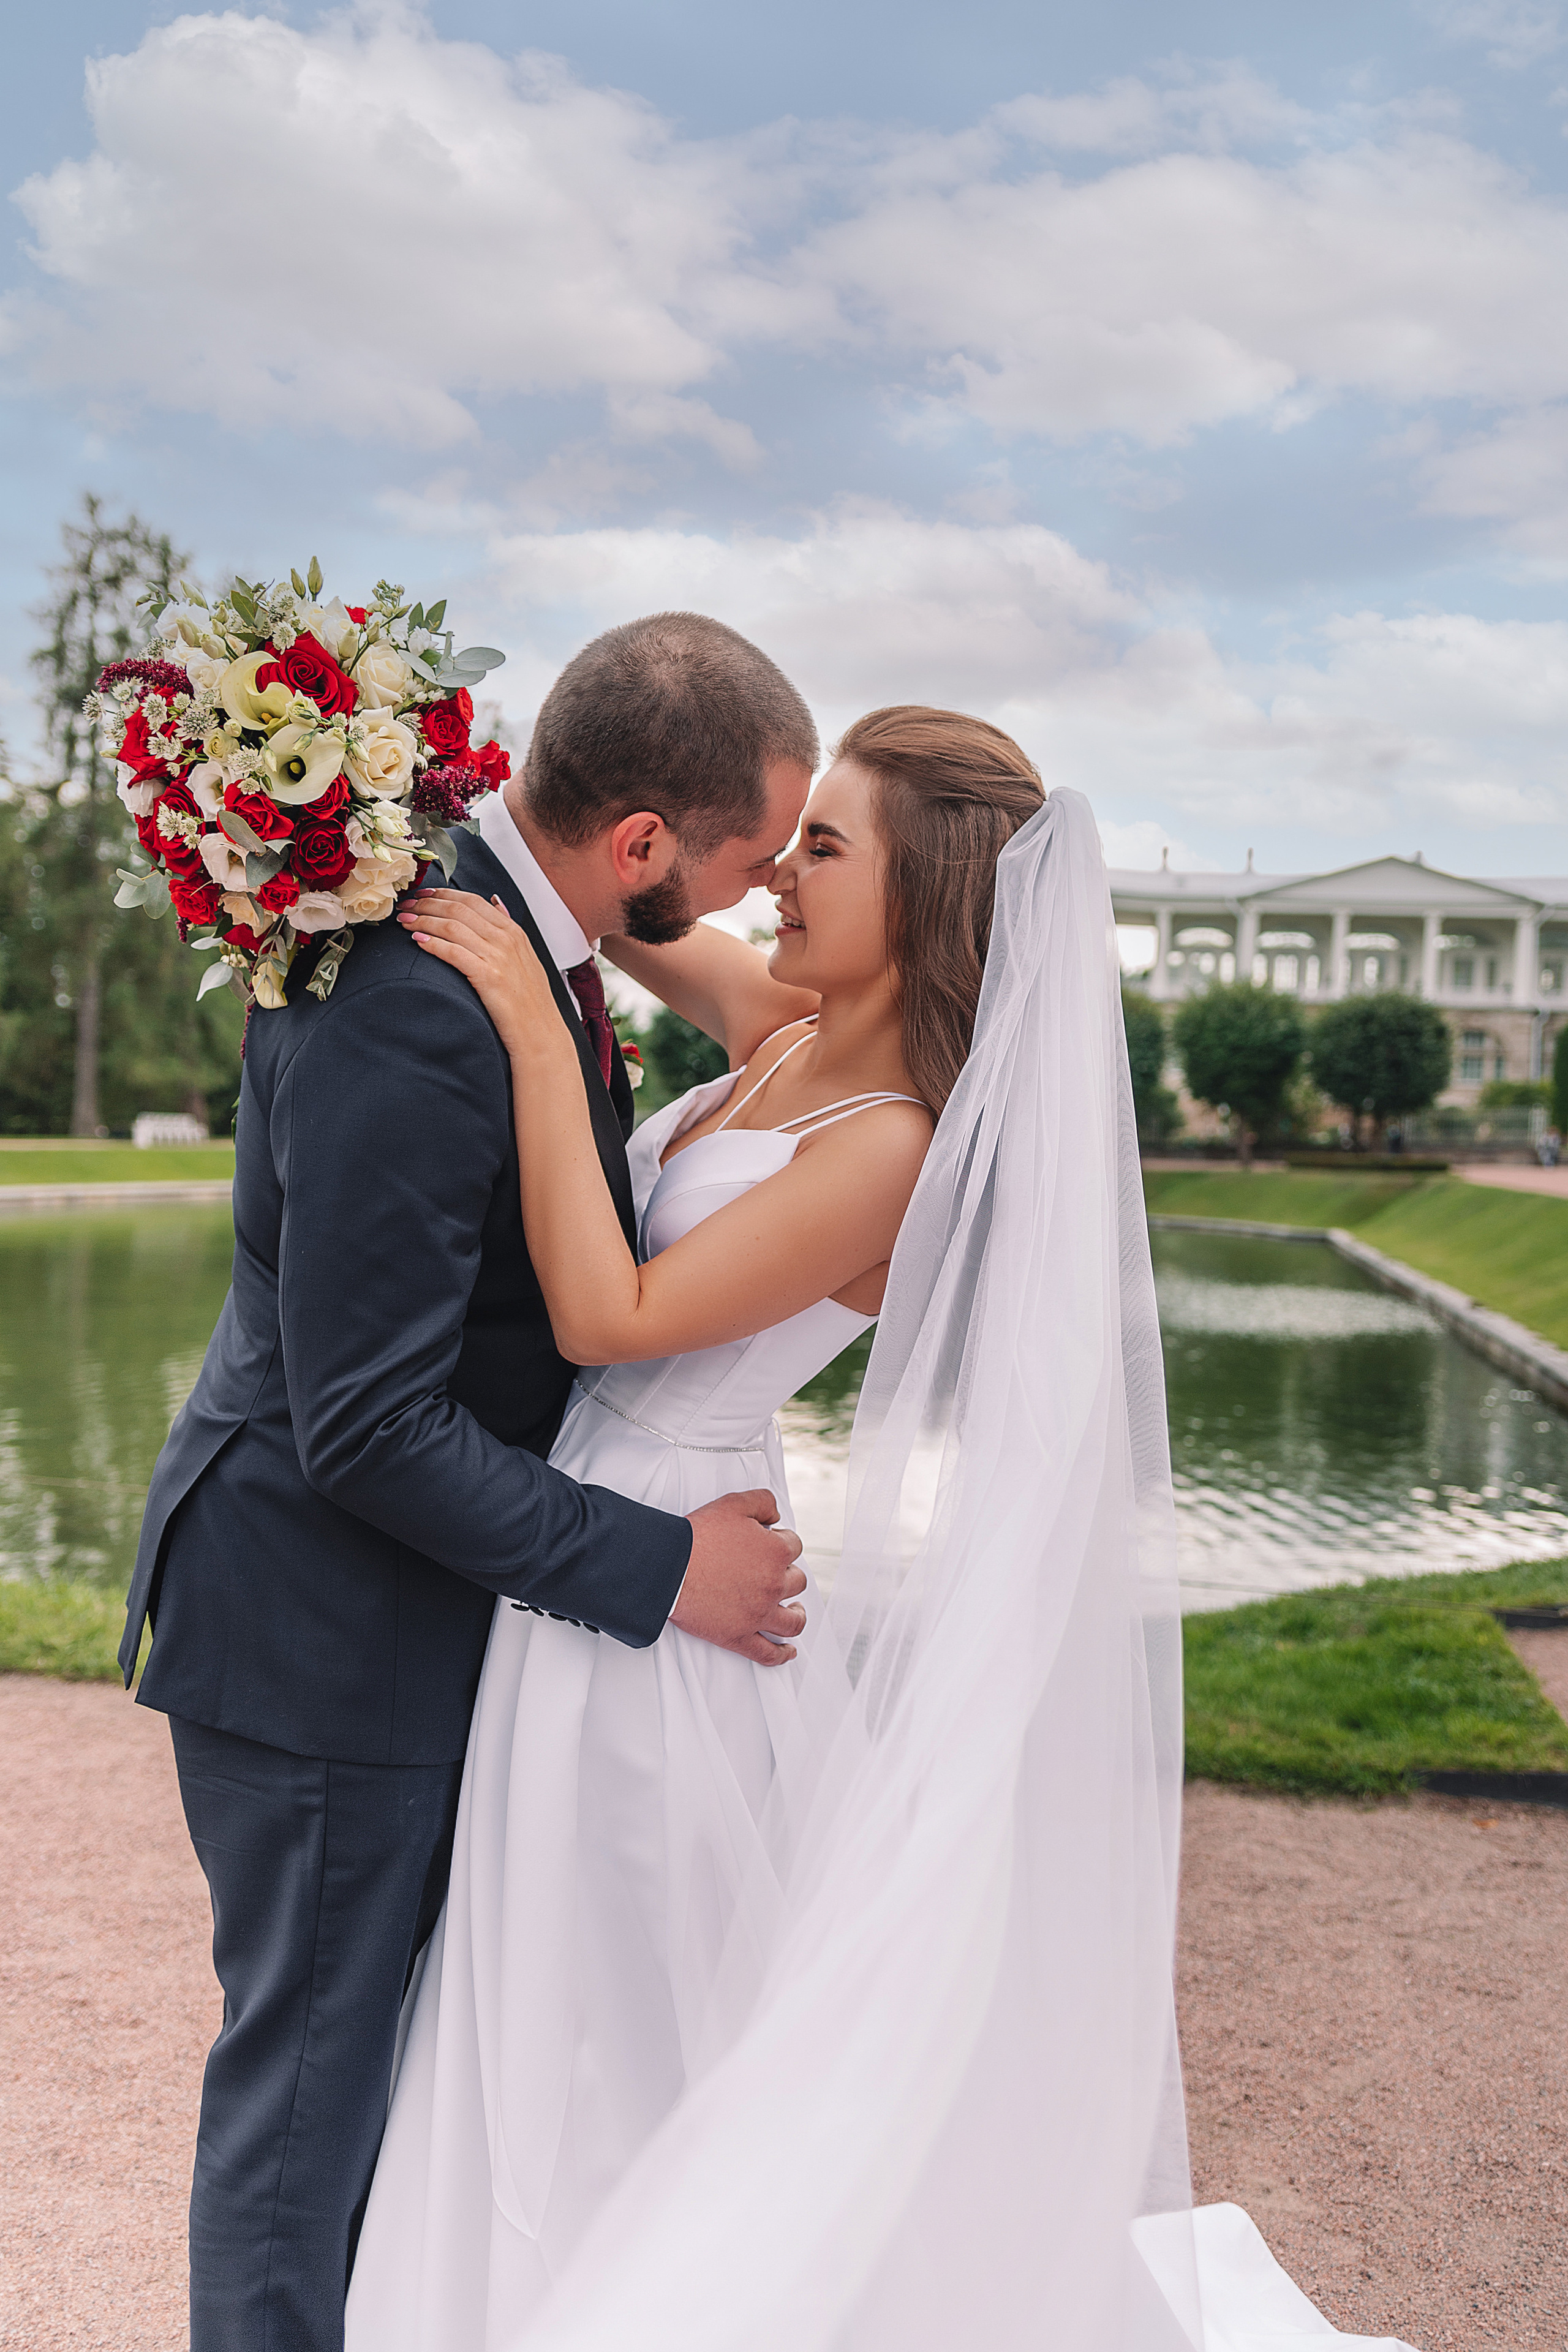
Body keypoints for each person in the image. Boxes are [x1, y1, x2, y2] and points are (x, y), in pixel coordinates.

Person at [348, 708, 1417, 2351]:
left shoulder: (893, 1148)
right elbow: (637, 926)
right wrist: (433, 803)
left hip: (663, 1593)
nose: (778, 870)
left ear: (919, 901)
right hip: (612, 1540)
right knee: (553, 1996)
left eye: (823, 846)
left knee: (623, 2011)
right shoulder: (784, 1026)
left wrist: (518, 1026)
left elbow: (610, 1311)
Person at [119, 613, 821, 2352]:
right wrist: (662, 1571)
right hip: (322, 1625)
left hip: (397, 1612)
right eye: (742, 865)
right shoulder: (428, 989)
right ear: (644, 845)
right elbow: (365, 1425)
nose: (749, 904)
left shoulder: (522, 934)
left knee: (378, 2094)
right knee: (308, 2111)